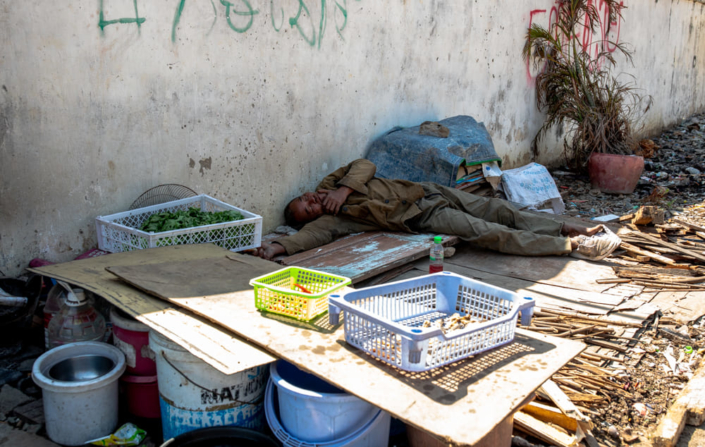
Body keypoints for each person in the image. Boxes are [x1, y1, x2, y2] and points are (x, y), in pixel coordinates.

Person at [254, 159, 621, 261]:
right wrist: (280, 247)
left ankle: (565, 227)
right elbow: (312, 235)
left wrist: (343, 189)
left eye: (306, 200)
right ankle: (568, 247)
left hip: (430, 192)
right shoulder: (335, 219)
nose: (312, 204)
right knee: (485, 232)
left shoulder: (334, 182)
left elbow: (365, 165)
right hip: (423, 217)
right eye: (308, 210)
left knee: (500, 210)